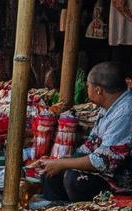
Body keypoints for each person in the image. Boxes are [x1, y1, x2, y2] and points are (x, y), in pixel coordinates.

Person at [35, 61, 131, 202]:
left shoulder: (125, 112)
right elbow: (91, 144)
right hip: (108, 171)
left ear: (98, 90)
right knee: (51, 173)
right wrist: (58, 162)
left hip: (121, 179)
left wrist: (63, 164)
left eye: (88, 86)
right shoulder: (108, 107)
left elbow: (102, 161)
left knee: (75, 179)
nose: (87, 89)